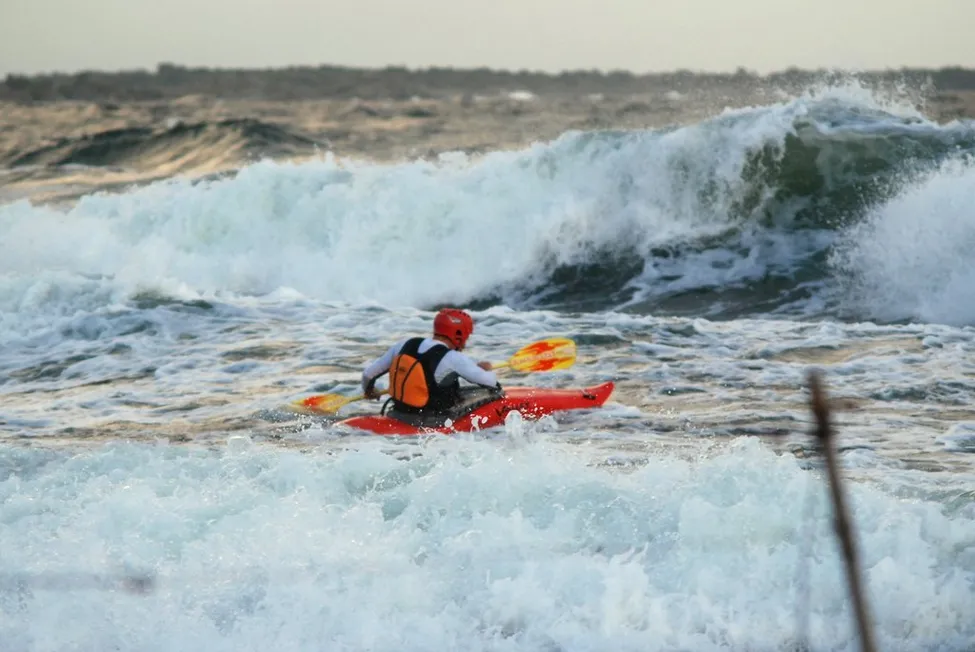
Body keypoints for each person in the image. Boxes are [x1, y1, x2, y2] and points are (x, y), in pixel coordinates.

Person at [361, 308, 502, 415]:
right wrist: (487, 369)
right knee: (497, 395)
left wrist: (369, 390)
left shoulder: (405, 344)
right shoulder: (453, 357)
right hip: (432, 422)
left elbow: (368, 374)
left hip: (398, 414)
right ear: (458, 336)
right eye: (466, 337)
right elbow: (491, 383)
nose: (465, 343)